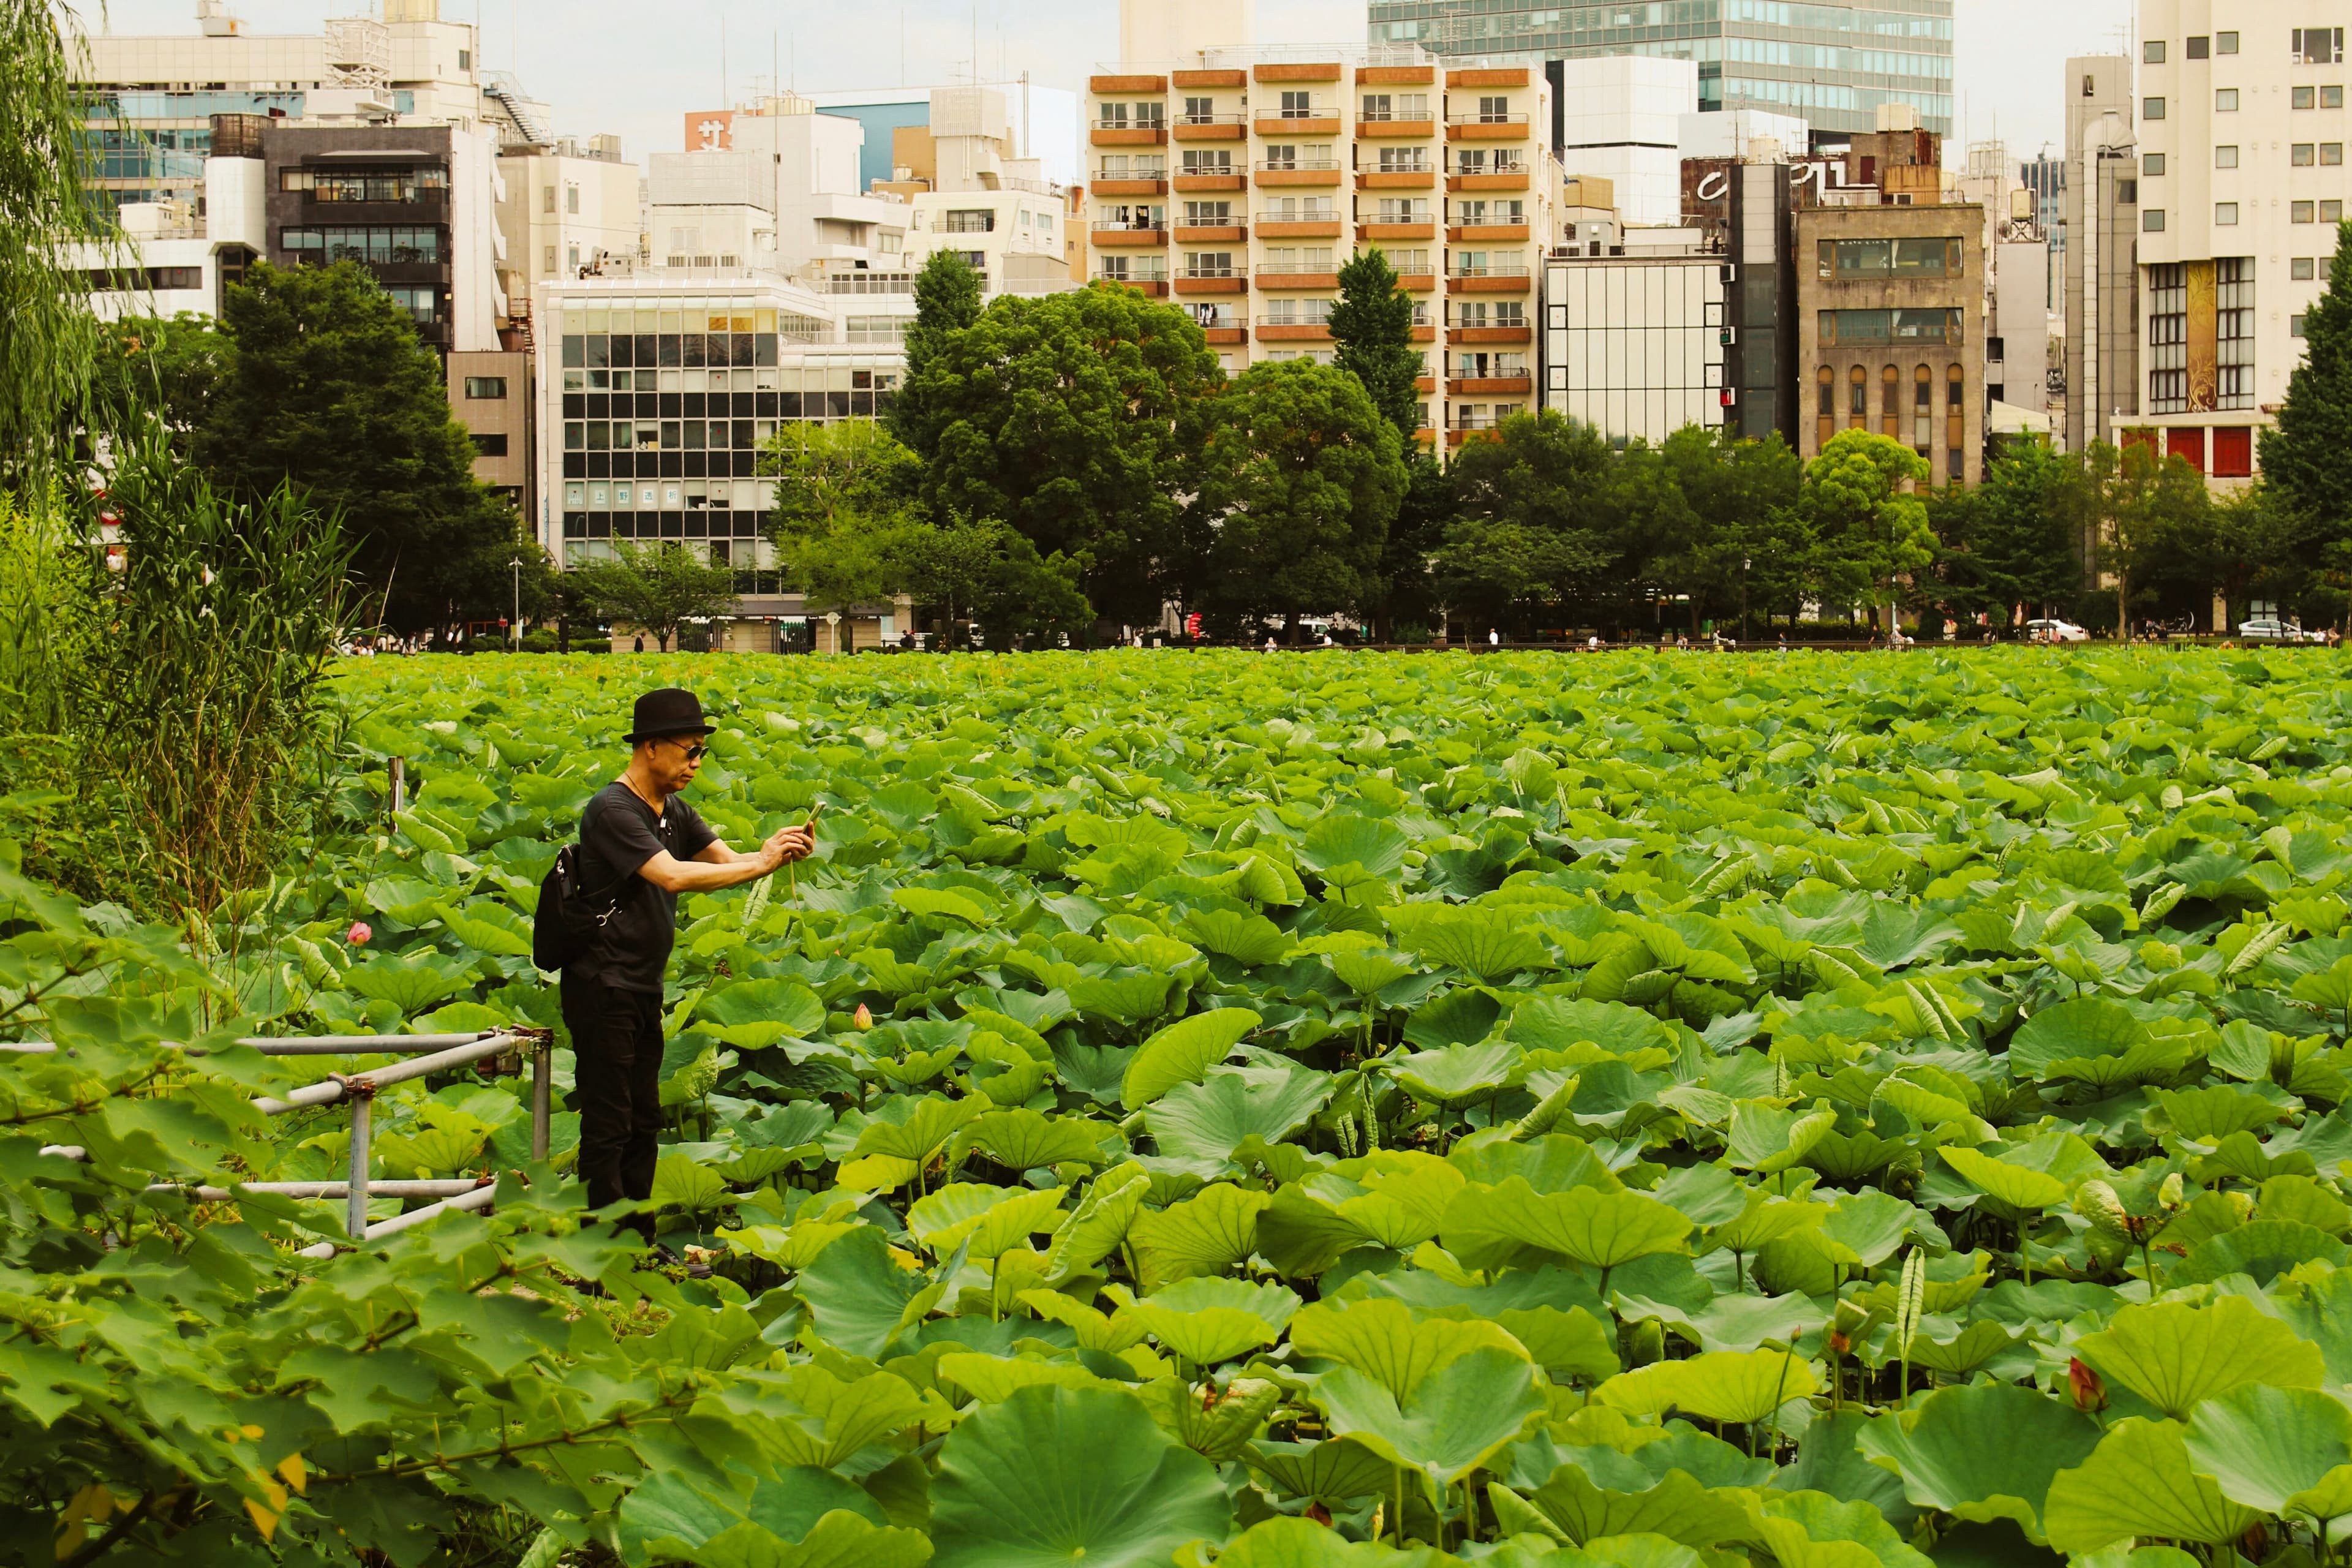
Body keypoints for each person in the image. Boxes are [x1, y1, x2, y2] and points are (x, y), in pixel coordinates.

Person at [561, 688, 813, 1268]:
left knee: (644, 1117)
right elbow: (672, 877)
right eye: (690, 749)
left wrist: (777, 849)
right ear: (651, 748)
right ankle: (600, 1256)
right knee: (609, 1120)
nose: (698, 761)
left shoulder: (674, 810)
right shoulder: (613, 811)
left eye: (703, 750)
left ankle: (640, 1246)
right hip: (601, 984)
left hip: (643, 984)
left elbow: (728, 862)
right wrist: (763, 864)